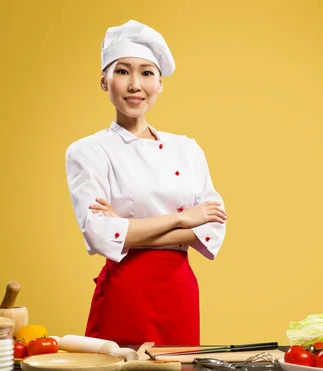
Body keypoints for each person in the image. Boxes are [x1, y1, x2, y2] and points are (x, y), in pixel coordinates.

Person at [65, 20, 227, 346]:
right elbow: (97, 233)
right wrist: (182, 219)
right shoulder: (88, 151)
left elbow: (213, 225)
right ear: (104, 81)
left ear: (160, 84)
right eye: (123, 71)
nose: (135, 85)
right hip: (125, 290)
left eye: (147, 73)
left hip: (178, 288)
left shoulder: (187, 148)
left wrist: (127, 229)